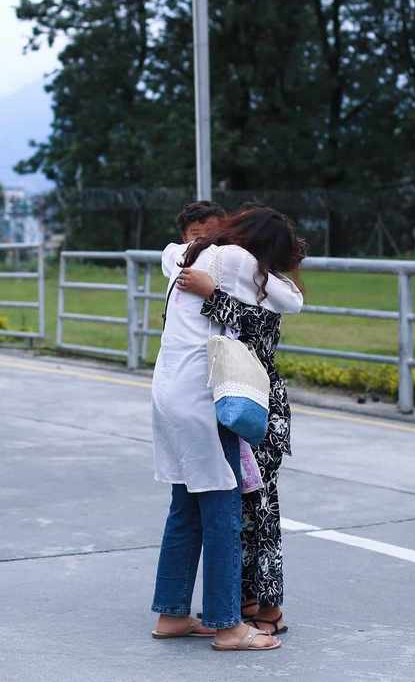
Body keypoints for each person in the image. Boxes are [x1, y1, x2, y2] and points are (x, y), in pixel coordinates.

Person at [150, 207, 304, 651]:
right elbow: (291, 300)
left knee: (185, 507)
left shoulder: (184, 254)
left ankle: (172, 614)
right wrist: (246, 275)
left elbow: (168, 254)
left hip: (168, 392)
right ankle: (227, 625)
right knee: (223, 512)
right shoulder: (238, 261)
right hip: (205, 398)